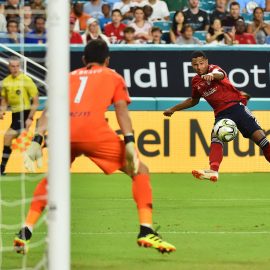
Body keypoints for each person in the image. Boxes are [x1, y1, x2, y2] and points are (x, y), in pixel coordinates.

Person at [14, 40, 176, 255]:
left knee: (53, 179)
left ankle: (26, 229)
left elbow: (49, 109)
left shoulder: (68, 77)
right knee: (140, 170)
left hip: (64, 133)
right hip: (94, 131)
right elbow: (120, 109)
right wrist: (129, 141)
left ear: (83, 60)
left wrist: (37, 139)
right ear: (107, 60)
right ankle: (146, 229)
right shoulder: (113, 76)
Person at [163, 51, 270, 182]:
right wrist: (173, 109)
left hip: (237, 108)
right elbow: (193, 100)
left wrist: (211, 75)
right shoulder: (196, 81)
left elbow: (221, 74)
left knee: (263, 142)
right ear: (192, 66)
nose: (199, 67)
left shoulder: (213, 69)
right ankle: (213, 171)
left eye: (201, 63)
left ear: (206, 62)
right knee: (215, 138)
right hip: (221, 114)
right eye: (195, 65)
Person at [0, 56, 39, 175]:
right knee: (10, 140)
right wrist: (2, 110)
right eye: (13, 66)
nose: (15, 68)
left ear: (20, 66)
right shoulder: (6, 81)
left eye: (17, 66)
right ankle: (34, 141)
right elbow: (5, 99)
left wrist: (30, 118)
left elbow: (36, 101)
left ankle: (1, 168)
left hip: (25, 112)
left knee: (7, 137)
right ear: (9, 67)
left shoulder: (26, 80)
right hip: (15, 115)